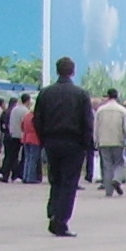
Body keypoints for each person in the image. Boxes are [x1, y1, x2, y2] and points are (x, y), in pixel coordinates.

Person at [36, 55, 92, 238]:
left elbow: (37, 119)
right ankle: (60, 221)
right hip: (73, 142)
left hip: (52, 141)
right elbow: (87, 122)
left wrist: (44, 139)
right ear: (73, 72)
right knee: (69, 182)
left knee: (55, 178)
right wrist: (86, 145)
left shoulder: (45, 93)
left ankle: (53, 210)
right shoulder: (81, 94)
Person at [94, 86, 126, 196]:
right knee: (119, 163)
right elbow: (125, 127)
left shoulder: (100, 110)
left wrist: (96, 140)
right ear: (117, 97)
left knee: (107, 166)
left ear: (108, 97)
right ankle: (117, 179)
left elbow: (96, 127)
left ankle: (108, 191)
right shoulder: (122, 110)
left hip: (103, 141)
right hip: (118, 140)